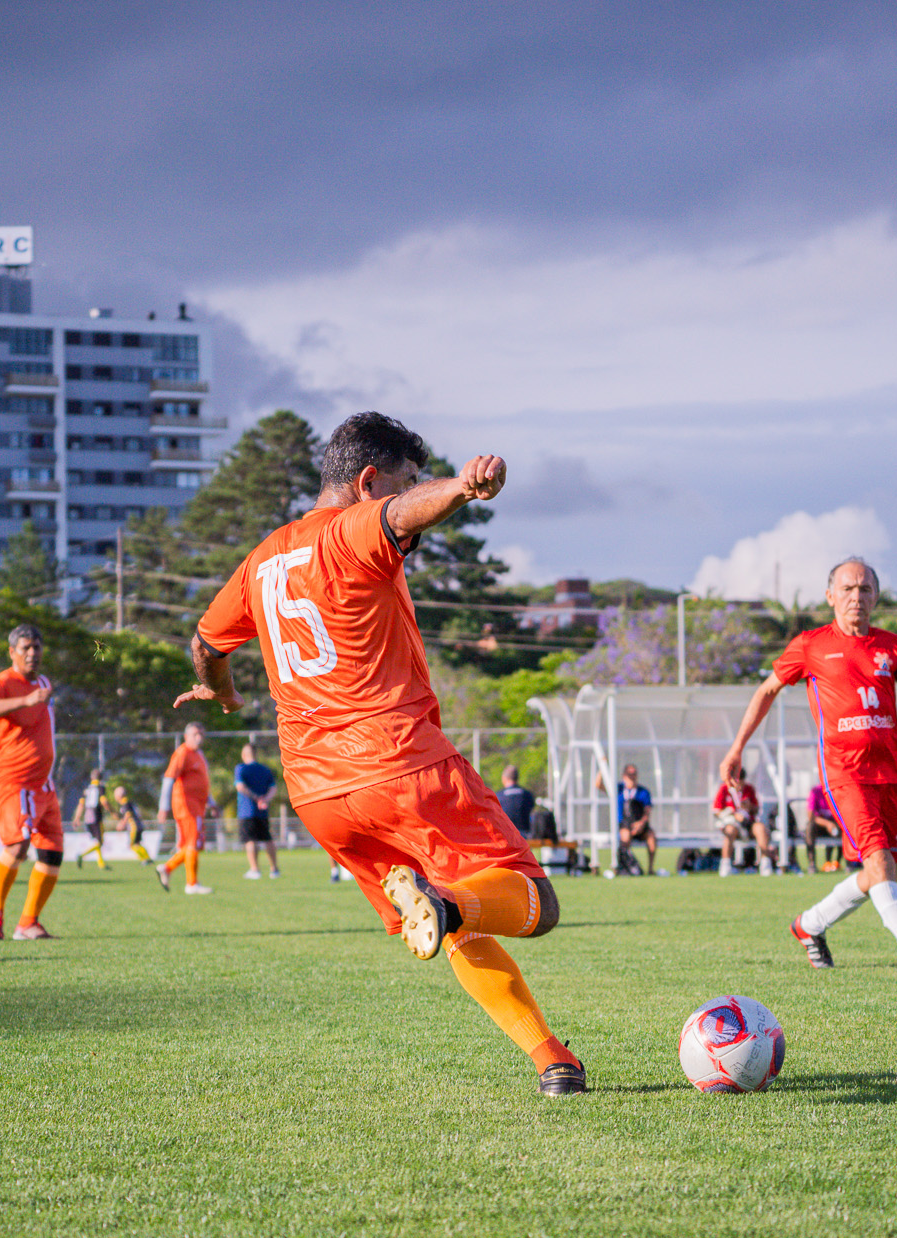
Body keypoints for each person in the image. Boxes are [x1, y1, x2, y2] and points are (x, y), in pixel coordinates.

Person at [180, 411, 585, 1094]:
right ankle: (449, 903)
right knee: (535, 902)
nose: (411, 491)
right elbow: (399, 516)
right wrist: (461, 488)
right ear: (368, 480)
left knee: (451, 923)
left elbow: (205, 646)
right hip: (398, 763)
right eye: (404, 477)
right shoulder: (351, 531)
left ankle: (553, 1061)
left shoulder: (264, 558)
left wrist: (221, 695)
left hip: (317, 794)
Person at [722, 556, 897, 978]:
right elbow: (767, 690)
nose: (856, 597)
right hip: (845, 773)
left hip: (892, 775)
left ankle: (809, 925)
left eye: (865, 589)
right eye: (847, 589)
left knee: (879, 874)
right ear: (830, 596)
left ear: (877, 597)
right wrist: (738, 747)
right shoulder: (811, 645)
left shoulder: (895, 647)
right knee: (879, 864)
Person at [0, 624, 63, 940]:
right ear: (12, 652)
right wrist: (24, 702)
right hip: (14, 781)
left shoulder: (43, 683)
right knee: (17, 844)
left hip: (44, 784)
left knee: (52, 854)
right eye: (25, 648)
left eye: (36, 647)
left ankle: (28, 923)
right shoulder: (3, 682)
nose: (32, 653)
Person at [158, 723, 216, 894]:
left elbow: (202, 783)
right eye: (196, 734)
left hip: (198, 805)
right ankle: (192, 884)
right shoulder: (182, 753)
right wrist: (163, 807)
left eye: (202, 734)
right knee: (193, 843)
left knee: (189, 845)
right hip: (187, 806)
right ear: (187, 736)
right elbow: (169, 779)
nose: (199, 738)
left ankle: (167, 868)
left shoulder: (198, 754)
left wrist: (211, 803)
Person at [711, 769, 774, 875]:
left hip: (748, 824)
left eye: (741, 781)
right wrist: (733, 813)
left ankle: (765, 863)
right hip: (732, 824)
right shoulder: (724, 789)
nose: (739, 784)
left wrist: (749, 807)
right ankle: (725, 865)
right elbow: (716, 810)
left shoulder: (749, 789)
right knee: (730, 831)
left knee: (760, 828)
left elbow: (756, 810)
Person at [600, 763, 657, 875]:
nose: (632, 776)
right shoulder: (618, 789)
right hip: (625, 824)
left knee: (651, 837)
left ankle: (650, 869)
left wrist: (641, 824)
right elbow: (598, 785)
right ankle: (625, 867)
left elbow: (647, 811)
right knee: (625, 838)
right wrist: (603, 765)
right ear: (624, 775)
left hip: (640, 825)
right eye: (629, 774)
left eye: (634, 774)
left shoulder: (643, 791)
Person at [234, 744, 281, 880]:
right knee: (267, 838)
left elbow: (240, 786)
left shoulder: (241, 768)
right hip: (262, 810)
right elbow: (273, 789)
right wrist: (264, 800)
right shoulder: (265, 770)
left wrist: (255, 798)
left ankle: (255, 869)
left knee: (250, 840)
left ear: (244, 755)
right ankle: (274, 869)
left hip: (247, 810)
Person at [73, 768, 111, 870]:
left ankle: (101, 864)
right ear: (101, 777)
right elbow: (104, 801)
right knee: (100, 842)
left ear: (91, 777)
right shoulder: (101, 788)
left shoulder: (87, 789)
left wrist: (77, 818)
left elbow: (81, 804)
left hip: (87, 818)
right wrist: (112, 811)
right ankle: (81, 855)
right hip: (96, 817)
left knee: (96, 841)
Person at [803, 777, 842, 873]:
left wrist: (832, 824)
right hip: (819, 826)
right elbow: (811, 816)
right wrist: (827, 824)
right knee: (810, 828)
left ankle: (839, 862)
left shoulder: (837, 790)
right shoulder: (815, 791)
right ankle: (812, 864)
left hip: (834, 825)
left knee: (844, 828)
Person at [109, 783, 153, 865]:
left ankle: (146, 859)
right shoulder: (130, 802)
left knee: (132, 845)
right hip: (139, 825)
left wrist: (122, 824)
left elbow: (128, 814)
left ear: (119, 796)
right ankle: (146, 859)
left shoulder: (125, 803)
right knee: (137, 844)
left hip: (134, 827)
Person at [497, 766, 536, 838]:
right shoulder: (527, 794)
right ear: (517, 778)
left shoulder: (499, 796)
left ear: (504, 778)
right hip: (524, 836)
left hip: (505, 835)